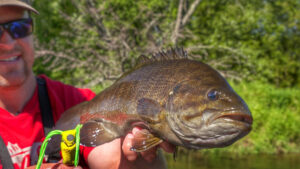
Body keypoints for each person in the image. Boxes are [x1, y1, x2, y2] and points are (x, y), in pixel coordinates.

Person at [0, 1, 174, 169]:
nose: (8, 44)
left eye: (19, 27)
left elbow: (112, 159)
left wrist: (140, 152)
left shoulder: (78, 103)